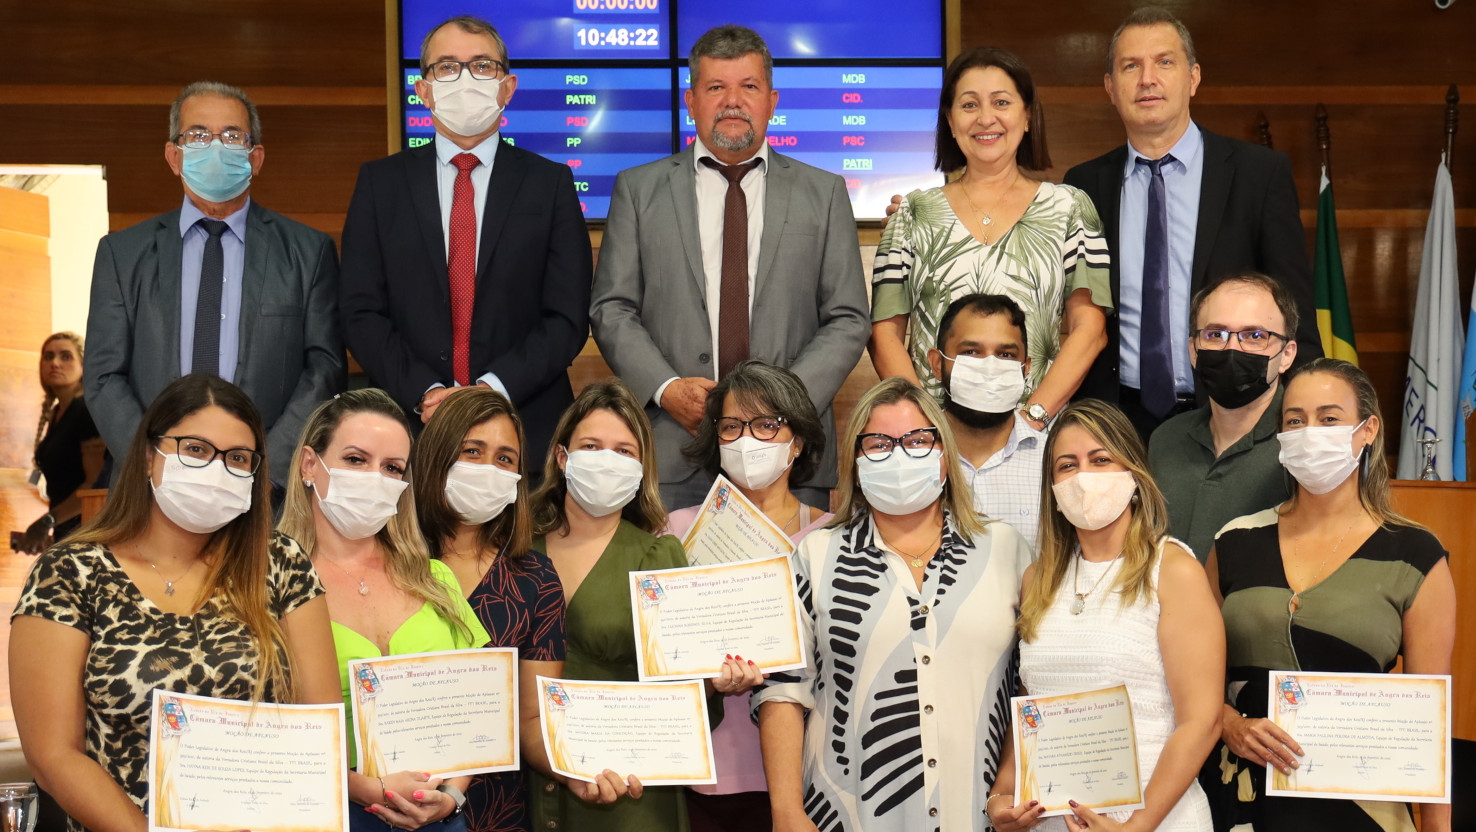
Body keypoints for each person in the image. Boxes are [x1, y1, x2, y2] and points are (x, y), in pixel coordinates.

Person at [10, 373, 341, 832]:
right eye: (197, 449)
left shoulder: (281, 562)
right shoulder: (70, 572)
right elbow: (52, 755)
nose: (217, 469)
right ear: (150, 455)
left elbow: (317, 731)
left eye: (237, 459)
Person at [590, 24, 869, 511]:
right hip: (675, 448)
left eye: (749, 87)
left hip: (792, 452)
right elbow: (612, 308)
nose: (733, 101)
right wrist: (667, 389)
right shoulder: (638, 190)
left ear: (772, 98)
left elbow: (848, 317)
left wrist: (780, 405)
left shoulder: (823, 193)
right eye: (716, 87)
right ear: (691, 100)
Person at [756, 377, 1032, 832]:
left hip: (979, 814)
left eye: (918, 440)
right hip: (847, 816)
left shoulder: (1006, 550)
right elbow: (782, 690)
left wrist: (1008, 785)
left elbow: (1029, 685)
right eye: (879, 443)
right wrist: (786, 812)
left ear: (944, 457)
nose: (899, 455)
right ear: (857, 460)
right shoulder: (815, 555)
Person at [1207, 358, 1455, 832]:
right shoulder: (1233, 541)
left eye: (1329, 418)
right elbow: (1187, 681)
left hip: (1362, 811)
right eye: (1295, 420)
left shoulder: (1415, 554)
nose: (1309, 431)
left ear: (1368, 430)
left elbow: (1431, 724)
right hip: (1236, 801)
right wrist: (1230, 725)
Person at [340, 15, 592, 463]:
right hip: (407, 433)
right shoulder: (381, 184)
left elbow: (566, 316)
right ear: (423, 90)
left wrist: (491, 391)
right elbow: (361, 312)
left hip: (524, 429)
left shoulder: (549, 183)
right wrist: (427, 392)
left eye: (482, 66)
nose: (464, 79)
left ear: (507, 86)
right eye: (446, 68)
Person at [1063, 7, 1321, 439]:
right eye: (1131, 66)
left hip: (1235, 414)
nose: (1148, 78)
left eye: (1164, 62)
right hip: (1115, 423)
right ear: (1110, 87)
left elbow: (1295, 314)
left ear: (1194, 77)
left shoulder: (1259, 174)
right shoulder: (1083, 185)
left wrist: (1302, 422)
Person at [85, 81, 346, 489]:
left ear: (255, 158)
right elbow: (103, 375)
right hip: (151, 487)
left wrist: (261, 468)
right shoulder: (122, 253)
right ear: (174, 156)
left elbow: (325, 368)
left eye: (232, 136)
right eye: (199, 135)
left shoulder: (308, 251)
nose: (216, 147)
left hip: (265, 491)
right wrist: (151, 461)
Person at [527, 378, 760, 832]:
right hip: (535, 788)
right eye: (591, 446)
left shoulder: (659, 558)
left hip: (633, 796)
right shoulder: (517, 552)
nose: (606, 461)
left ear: (641, 468)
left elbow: (685, 695)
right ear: (562, 457)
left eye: (623, 451)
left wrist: (717, 682)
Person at [990, 399, 1221, 832]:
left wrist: (1135, 827)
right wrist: (1003, 793)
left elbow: (1202, 721)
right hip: (1054, 821)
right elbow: (1029, 709)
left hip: (1158, 821)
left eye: (1100, 460)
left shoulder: (1172, 570)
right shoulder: (1037, 579)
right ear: (1052, 488)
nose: (1084, 478)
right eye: (1067, 465)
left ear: (1134, 475)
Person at [412, 388, 631, 830]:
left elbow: (532, 719)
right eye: (472, 451)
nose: (488, 469)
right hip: (387, 797)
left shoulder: (534, 579)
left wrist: (572, 772)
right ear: (436, 454)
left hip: (494, 811)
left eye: (505, 459)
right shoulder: (388, 561)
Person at [278, 389, 491, 831]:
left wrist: (451, 796)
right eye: (356, 459)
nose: (375, 477)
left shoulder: (436, 578)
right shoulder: (269, 583)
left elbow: (477, 709)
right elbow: (268, 726)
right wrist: (369, 790)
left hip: (438, 815)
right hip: (325, 813)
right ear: (308, 465)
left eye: (392, 468)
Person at [871, 46, 1110, 430]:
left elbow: (1090, 331)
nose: (986, 118)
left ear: (1027, 115)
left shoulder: (1070, 209)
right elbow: (884, 334)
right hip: (934, 440)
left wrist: (1032, 421)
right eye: (969, 105)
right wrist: (924, 426)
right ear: (949, 120)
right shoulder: (911, 214)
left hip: (1037, 432)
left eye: (1001, 102)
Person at [665, 360, 833, 832]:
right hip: (701, 773)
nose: (747, 440)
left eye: (766, 425)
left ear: (797, 441)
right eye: (732, 427)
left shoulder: (830, 538)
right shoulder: (678, 532)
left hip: (804, 776)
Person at [1148, 272, 1298, 563]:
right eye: (1215, 335)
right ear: (1193, 350)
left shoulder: (1302, 444)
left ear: (1287, 355)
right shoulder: (1165, 440)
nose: (1232, 348)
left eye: (1255, 336)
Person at [925, 294, 1046, 548]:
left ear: (1026, 369)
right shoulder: (910, 456)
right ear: (938, 364)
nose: (990, 367)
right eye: (971, 352)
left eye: (1005, 354)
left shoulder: (1054, 462)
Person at [20, 332, 105, 552]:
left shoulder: (86, 411)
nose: (54, 363)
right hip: (68, 533)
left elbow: (95, 485)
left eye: (66, 356)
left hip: (90, 535)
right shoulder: (59, 411)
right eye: (48, 357)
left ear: (84, 366)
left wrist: (47, 521)